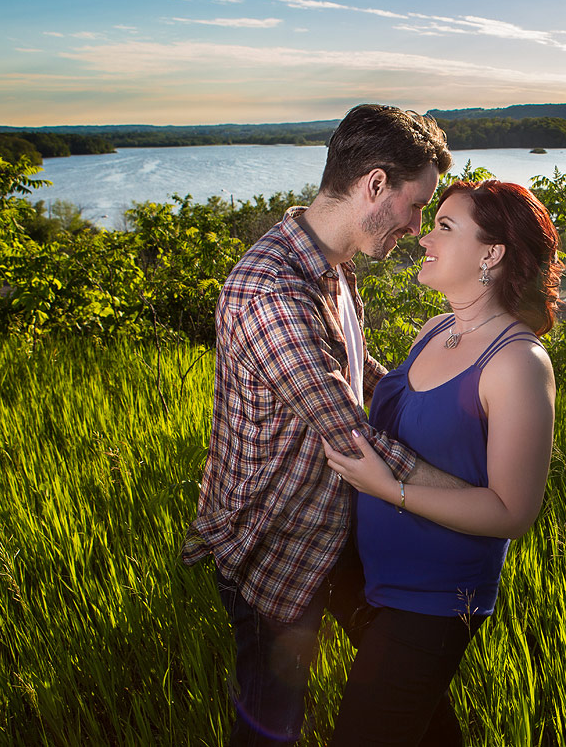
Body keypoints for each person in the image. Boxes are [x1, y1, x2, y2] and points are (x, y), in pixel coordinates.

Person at [181, 104, 465, 745]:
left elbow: (364, 376)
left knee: (409, 687)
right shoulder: (273, 291)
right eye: (416, 205)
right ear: (374, 185)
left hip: (340, 527)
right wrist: (482, 500)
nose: (418, 227)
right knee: (271, 722)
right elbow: (350, 436)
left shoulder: (333, 265)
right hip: (276, 547)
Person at [322, 179, 562, 746]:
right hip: (374, 583)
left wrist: (391, 490)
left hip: (433, 601)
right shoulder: (438, 329)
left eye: (445, 228)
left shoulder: (518, 364)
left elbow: (511, 512)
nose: (423, 238)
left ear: (492, 254)